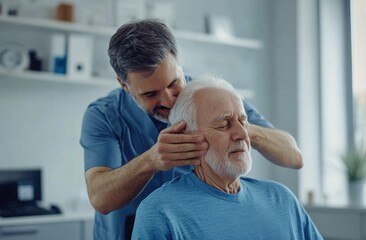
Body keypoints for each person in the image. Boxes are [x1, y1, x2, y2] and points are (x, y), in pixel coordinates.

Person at [80, 19, 303, 239]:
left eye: (173, 83)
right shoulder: (103, 116)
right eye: (150, 94)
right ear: (123, 85)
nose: (167, 100)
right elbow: (100, 198)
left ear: (178, 64)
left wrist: (234, 125)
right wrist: (151, 161)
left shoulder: (210, 95)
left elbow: (294, 157)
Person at [132, 77, 322, 240]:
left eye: (243, 121)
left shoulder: (282, 199)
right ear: (186, 136)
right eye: (224, 124)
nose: (243, 134)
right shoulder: (160, 212)